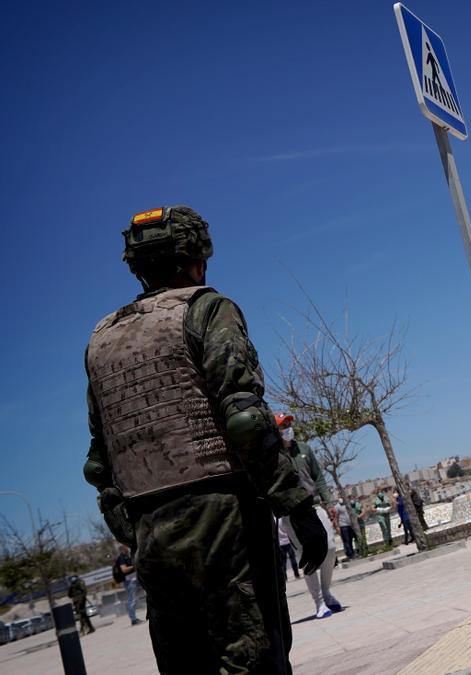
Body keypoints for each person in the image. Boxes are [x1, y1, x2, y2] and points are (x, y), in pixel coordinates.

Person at [82, 205, 327, 674]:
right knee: (253, 656)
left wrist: (134, 533)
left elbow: (100, 461)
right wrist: (298, 508)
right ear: (198, 257)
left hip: (151, 528)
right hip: (224, 516)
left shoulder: (102, 338)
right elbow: (245, 422)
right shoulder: (208, 309)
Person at [272, 413, 342, 618]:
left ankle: (327, 590)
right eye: (282, 425)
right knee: (305, 557)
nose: (287, 428)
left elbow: (318, 478)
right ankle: (320, 602)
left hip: (314, 507)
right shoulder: (273, 455)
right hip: (292, 514)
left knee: (329, 548)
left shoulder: (304, 449)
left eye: (288, 424)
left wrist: (329, 502)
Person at [114, 545, 142, 625]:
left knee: (133, 599)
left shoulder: (127, 556)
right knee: (131, 600)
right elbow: (124, 569)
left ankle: (134, 619)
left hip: (133, 579)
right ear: (123, 549)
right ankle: (133, 620)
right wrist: (134, 566)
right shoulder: (122, 557)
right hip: (129, 581)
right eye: (126, 547)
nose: (128, 548)